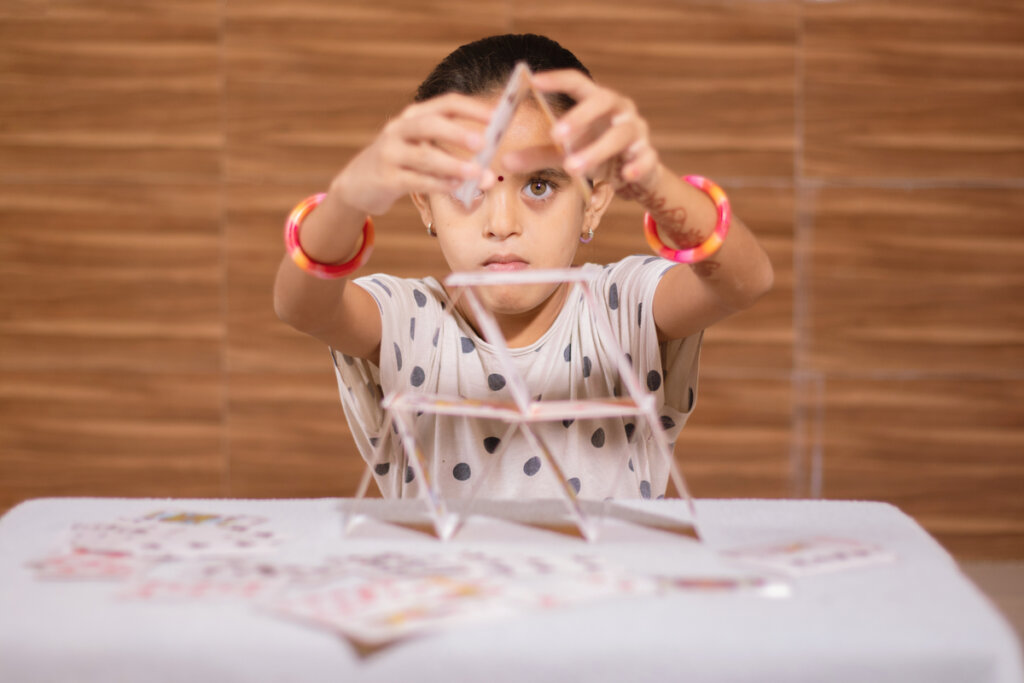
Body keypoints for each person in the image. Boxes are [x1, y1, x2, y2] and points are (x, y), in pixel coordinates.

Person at [273, 34, 773, 502]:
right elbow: (301, 307)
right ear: (424, 205)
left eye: (539, 186)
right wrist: (347, 198)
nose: (501, 224)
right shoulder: (406, 319)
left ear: (594, 201)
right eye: (466, 189)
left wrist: (651, 182)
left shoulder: (625, 305)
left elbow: (746, 281)